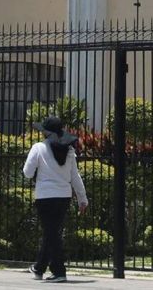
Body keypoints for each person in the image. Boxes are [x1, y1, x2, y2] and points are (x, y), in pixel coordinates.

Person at [23, 116, 89, 283]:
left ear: (45, 132)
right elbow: (75, 176)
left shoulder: (38, 148)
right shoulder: (69, 151)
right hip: (64, 196)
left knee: (51, 233)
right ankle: (39, 268)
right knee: (51, 231)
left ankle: (59, 271)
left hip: (45, 196)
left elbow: (27, 173)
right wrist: (82, 199)